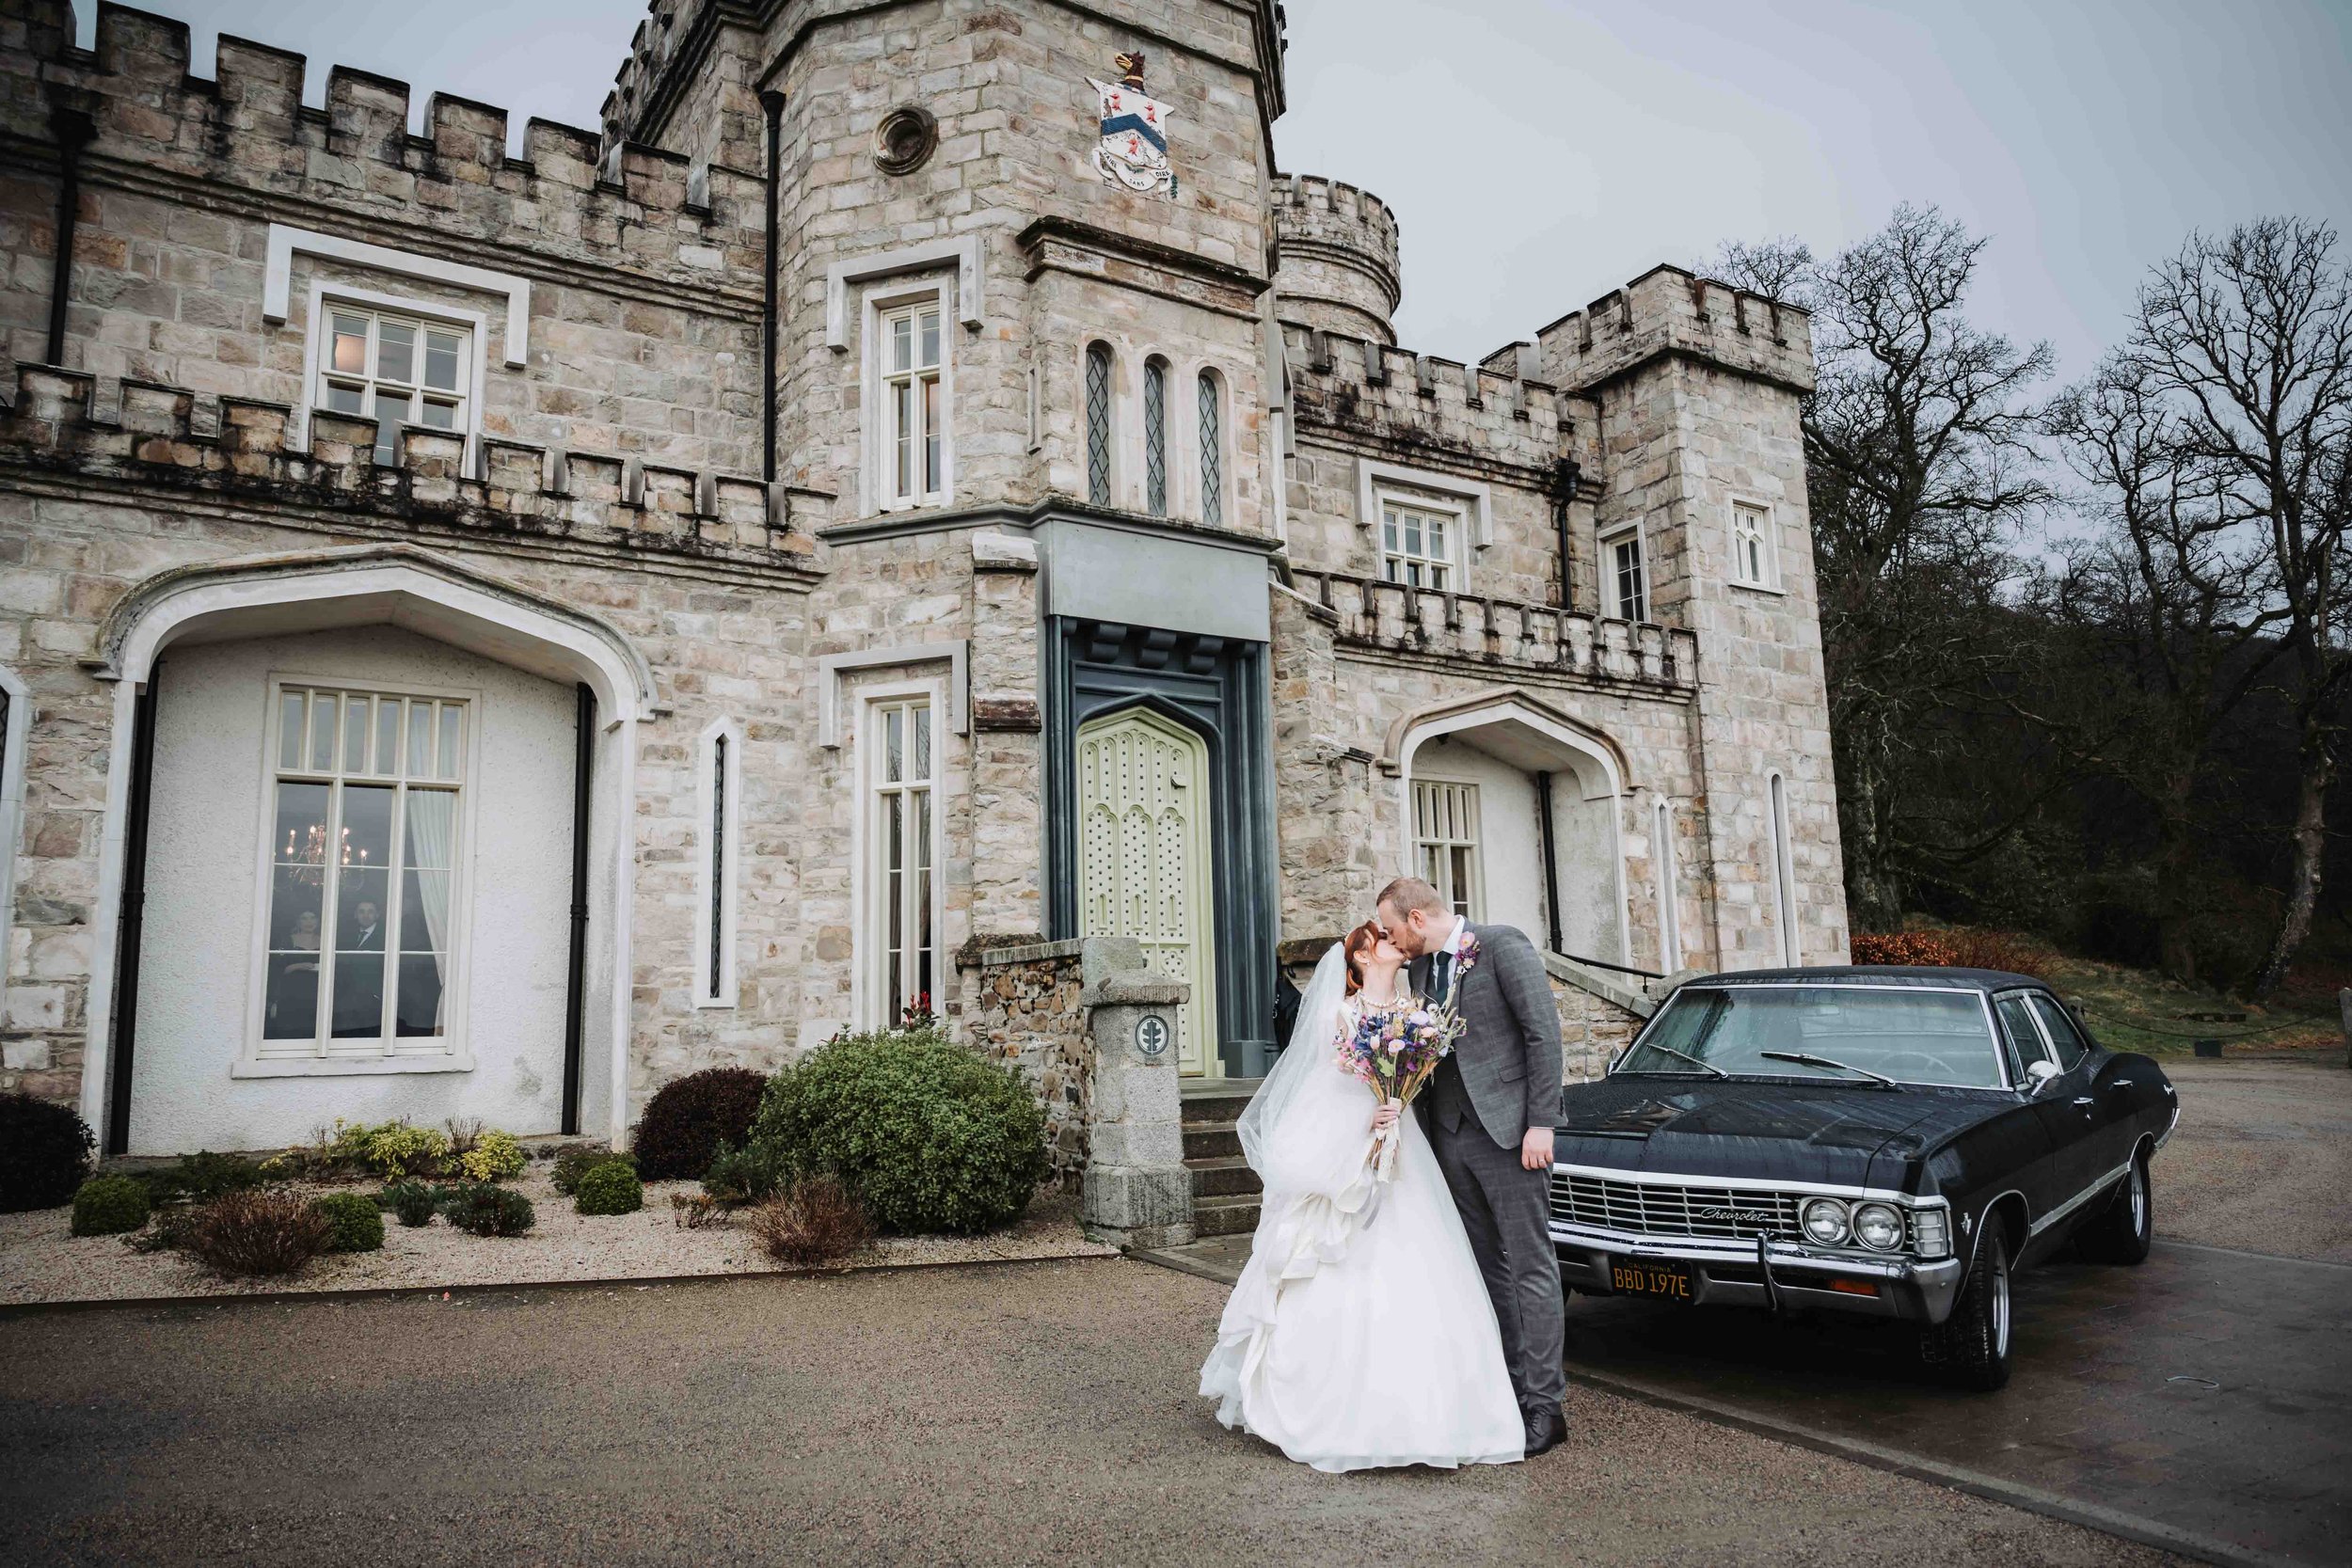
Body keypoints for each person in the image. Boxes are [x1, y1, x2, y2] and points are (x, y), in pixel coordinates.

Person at [1198, 920, 1526, 1472]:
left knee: (1424, 1262)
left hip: (1403, 1152)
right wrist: (1369, 1115)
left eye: (1395, 938)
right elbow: (1321, 1094)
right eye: (1382, 941)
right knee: (1336, 1265)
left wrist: (1398, 1101)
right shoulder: (1339, 1016)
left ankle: (1433, 1414)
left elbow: (1413, 1074)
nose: (1396, 945)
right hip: (1351, 1154)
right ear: (1359, 959)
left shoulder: (1414, 1010)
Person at [1376, 874, 1568, 1458]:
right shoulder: (1418, 971)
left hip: (1511, 1134)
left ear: (1416, 918)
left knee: (1531, 1266)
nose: (1389, 939)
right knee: (1487, 1268)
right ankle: (1507, 1390)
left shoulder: (1502, 945)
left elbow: (1543, 1036)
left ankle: (1546, 1406)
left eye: (1391, 928)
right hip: (1449, 1137)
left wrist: (1542, 1123)